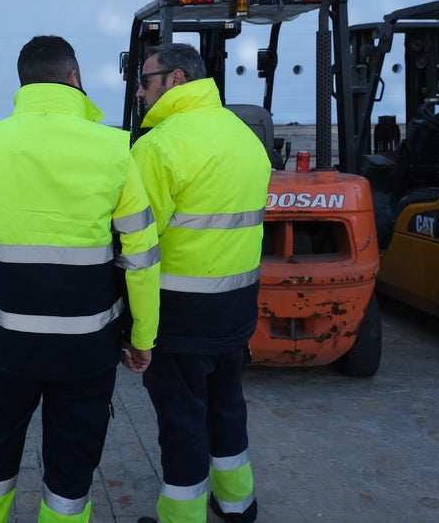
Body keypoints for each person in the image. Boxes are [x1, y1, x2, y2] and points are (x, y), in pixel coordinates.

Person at [0, 35, 160, 523]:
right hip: (87, 347)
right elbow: (140, 258)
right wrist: (141, 335)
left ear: (23, 84)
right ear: (74, 79)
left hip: (7, 342)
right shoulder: (116, 148)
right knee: (72, 459)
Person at [124, 43, 271, 523]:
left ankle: (181, 518)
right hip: (236, 310)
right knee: (226, 407)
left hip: (181, 316)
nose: (140, 91)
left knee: (182, 421)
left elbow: (137, 249)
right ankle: (237, 506)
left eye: (145, 81)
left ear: (176, 80)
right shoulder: (243, 134)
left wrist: (135, 329)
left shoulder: (159, 147)